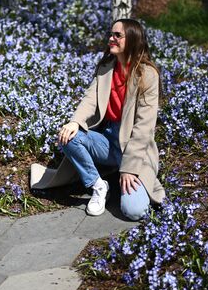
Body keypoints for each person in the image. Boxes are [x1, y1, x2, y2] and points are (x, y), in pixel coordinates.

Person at [31, 19, 165, 220]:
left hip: (134, 149)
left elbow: (144, 129)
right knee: (68, 136)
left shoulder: (148, 75)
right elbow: (90, 98)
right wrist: (75, 122)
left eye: (117, 35)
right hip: (108, 140)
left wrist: (129, 168)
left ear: (133, 40)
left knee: (135, 212)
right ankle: (98, 185)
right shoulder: (106, 68)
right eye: (111, 34)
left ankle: (121, 173)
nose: (111, 39)